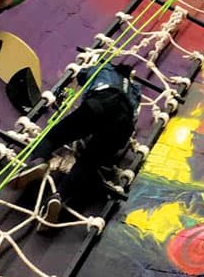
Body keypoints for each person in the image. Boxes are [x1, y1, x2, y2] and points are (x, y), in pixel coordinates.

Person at [10, 62, 142, 224]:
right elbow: (135, 116)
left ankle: (37, 161)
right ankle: (59, 196)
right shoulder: (135, 89)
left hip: (102, 103)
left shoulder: (105, 68)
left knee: (54, 136)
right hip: (123, 125)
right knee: (88, 163)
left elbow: (81, 77)